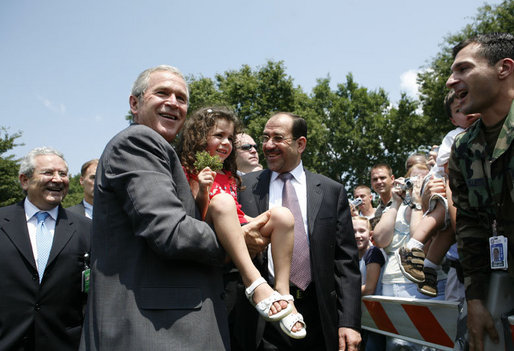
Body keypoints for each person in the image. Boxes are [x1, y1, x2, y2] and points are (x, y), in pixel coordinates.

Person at [81, 65, 265, 350]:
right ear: (134, 103)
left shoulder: (162, 151)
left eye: (181, 98)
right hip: (157, 331)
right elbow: (171, 230)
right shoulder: (138, 141)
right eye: (162, 93)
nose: (173, 102)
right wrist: (236, 244)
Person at [237, 112, 361, 351]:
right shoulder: (244, 186)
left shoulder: (330, 191)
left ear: (300, 143)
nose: (268, 145)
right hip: (261, 318)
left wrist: (349, 322)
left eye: (277, 138)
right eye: (265, 137)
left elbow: (345, 262)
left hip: (318, 315)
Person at [179, 106, 305, 339]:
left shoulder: (229, 176)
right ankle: (253, 281)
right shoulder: (191, 170)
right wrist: (204, 188)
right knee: (224, 201)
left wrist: (259, 222)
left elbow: (238, 214)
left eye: (230, 138)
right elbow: (198, 212)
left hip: (234, 226)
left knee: (282, 215)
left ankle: (283, 292)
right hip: (210, 226)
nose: (226, 143)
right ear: (200, 137)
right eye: (219, 136)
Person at [446, 33, 514, 351]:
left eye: (463, 69)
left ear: (504, 68)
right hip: (497, 291)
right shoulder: (463, 147)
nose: (451, 81)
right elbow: (470, 229)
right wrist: (474, 299)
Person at [0, 147, 91, 350]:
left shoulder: (87, 229)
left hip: (64, 343)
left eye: (63, 174)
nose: (58, 179)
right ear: (25, 180)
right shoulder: (2, 222)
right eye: (48, 173)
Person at [397, 90, 480, 297]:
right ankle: (412, 246)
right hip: (439, 182)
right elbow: (449, 169)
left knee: (447, 232)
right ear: (453, 120)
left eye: (471, 104)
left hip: (458, 191)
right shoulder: (456, 136)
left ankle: (429, 268)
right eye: (459, 110)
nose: (467, 112)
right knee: (442, 212)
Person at [353, 216, 386, 351]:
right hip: (364, 317)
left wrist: (343, 293)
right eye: (353, 231)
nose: (357, 235)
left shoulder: (373, 252)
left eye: (362, 231)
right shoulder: (355, 255)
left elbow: (369, 289)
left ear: (370, 234)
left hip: (377, 318)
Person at [369, 163, 395, 229]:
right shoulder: (378, 211)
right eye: (375, 179)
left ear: (392, 179)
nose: (379, 182)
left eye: (382, 178)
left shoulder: (404, 201)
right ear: (371, 183)